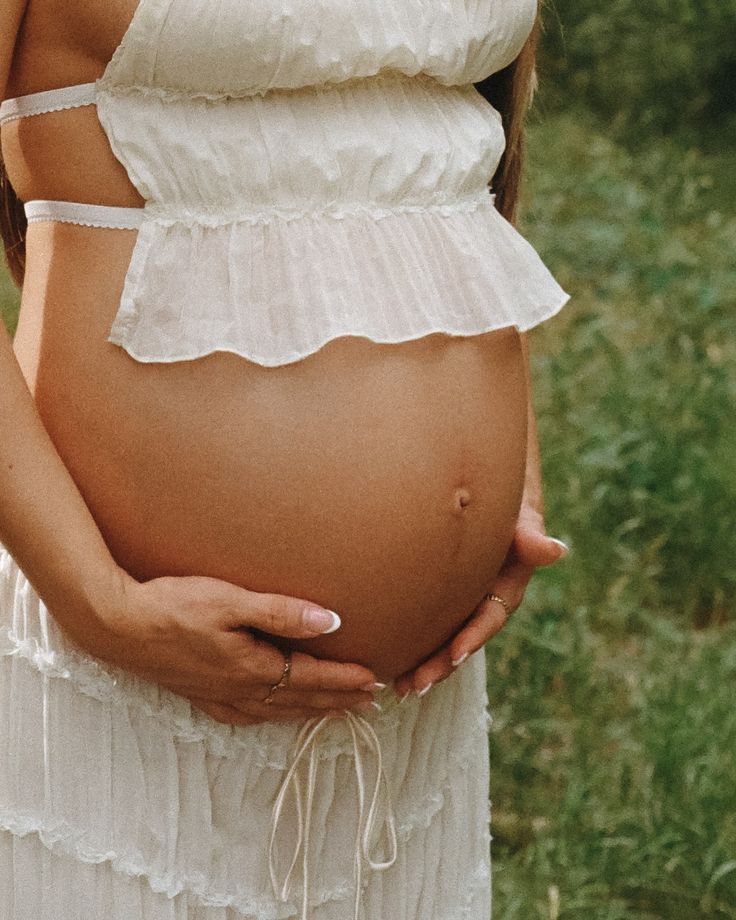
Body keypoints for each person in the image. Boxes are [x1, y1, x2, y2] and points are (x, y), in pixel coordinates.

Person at [0, 0, 570, 917]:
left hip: (411, 713)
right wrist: (97, 604)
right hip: (131, 672)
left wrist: (514, 481)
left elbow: (456, 157)